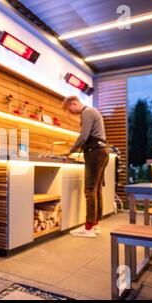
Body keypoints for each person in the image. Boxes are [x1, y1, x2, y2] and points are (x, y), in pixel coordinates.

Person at [62, 96, 109, 238]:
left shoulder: (87, 112)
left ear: (74, 104)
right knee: (96, 190)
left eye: (70, 110)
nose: (71, 113)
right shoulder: (92, 111)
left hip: (95, 152)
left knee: (89, 190)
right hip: (101, 151)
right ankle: (94, 225)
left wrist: (70, 150)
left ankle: (88, 228)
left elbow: (83, 136)